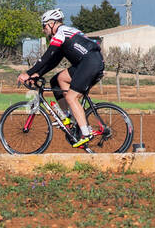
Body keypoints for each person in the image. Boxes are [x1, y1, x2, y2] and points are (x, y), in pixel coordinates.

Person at [17, 8, 105, 147]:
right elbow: (53, 61)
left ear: (52, 24)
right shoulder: (64, 34)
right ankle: (68, 117)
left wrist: (28, 73)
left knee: (71, 97)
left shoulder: (61, 32)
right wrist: (37, 74)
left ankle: (86, 132)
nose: (43, 30)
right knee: (58, 79)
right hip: (88, 62)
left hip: (90, 63)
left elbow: (47, 56)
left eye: (44, 26)